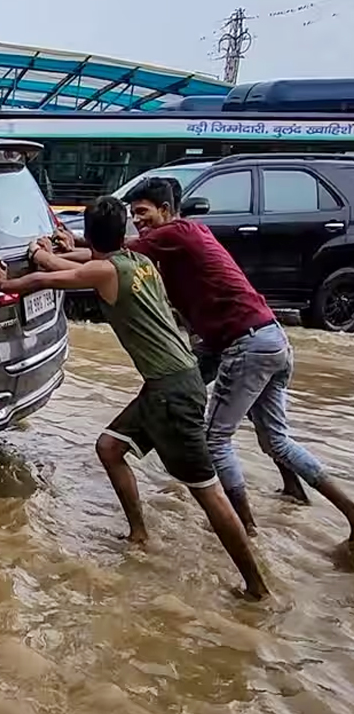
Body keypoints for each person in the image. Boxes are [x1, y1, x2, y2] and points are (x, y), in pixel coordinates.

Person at [0, 196, 269, 599]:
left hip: (172, 390)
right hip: (173, 380)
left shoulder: (104, 270)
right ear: (123, 232)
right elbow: (84, 268)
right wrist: (54, 255)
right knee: (110, 448)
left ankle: (257, 587)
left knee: (206, 490)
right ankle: (138, 533)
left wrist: (6, 282)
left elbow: (46, 278)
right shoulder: (141, 262)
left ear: (91, 232)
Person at [116, 177, 354, 541]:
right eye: (134, 214)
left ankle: (246, 529)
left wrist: (67, 246)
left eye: (144, 212)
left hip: (247, 344)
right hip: (270, 337)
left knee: (215, 440)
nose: (139, 220)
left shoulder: (175, 232)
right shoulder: (186, 237)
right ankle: (313, 499)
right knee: (275, 440)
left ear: (165, 210)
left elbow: (117, 248)